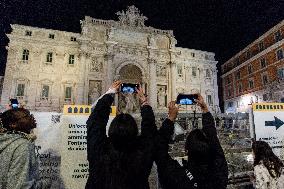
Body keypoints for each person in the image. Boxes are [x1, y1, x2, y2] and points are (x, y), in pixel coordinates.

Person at [85, 80, 157, 189]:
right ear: (135, 131)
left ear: (112, 129)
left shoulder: (99, 149)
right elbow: (150, 131)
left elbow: (95, 122)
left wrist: (110, 93)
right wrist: (144, 103)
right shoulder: (142, 152)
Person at [155, 94, 228, 189]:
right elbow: (213, 138)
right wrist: (205, 109)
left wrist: (171, 117)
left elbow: (159, 150)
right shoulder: (219, 172)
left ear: (186, 150)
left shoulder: (177, 177)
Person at [0, 108, 49, 189]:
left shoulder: (6, 140)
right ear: (13, 124)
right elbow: (19, 186)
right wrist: (44, 184)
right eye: (27, 116)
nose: (32, 117)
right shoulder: (22, 145)